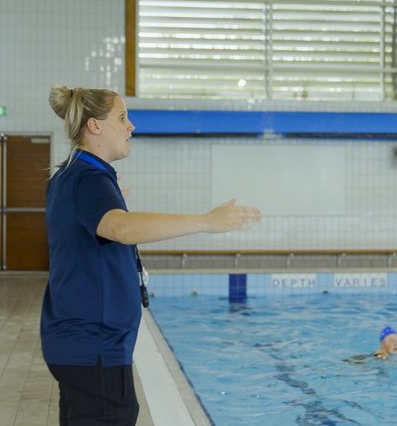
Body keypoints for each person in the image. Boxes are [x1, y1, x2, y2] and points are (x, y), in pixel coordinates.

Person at [40, 85, 261, 425]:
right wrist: (206, 221)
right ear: (95, 126)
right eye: (122, 118)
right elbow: (121, 229)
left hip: (78, 340)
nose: (131, 127)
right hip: (93, 343)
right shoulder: (88, 179)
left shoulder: (71, 174)